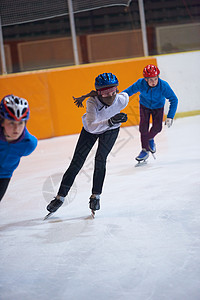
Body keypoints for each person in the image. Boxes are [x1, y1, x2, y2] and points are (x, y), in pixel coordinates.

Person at [46, 72, 129, 215]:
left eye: (113, 91)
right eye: (104, 93)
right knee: (77, 162)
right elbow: (91, 126)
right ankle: (60, 197)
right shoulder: (92, 102)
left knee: (100, 159)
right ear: (98, 93)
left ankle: (96, 196)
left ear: (117, 89)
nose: (109, 96)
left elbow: (136, 86)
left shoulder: (122, 99)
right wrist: (110, 121)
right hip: (92, 130)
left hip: (111, 130)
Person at [122, 64, 178, 162]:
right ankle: (144, 150)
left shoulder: (163, 86)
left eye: (155, 79)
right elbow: (128, 92)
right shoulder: (140, 83)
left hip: (158, 107)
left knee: (158, 128)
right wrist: (118, 99)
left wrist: (170, 116)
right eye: (151, 80)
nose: (153, 82)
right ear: (146, 79)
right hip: (145, 106)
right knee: (143, 127)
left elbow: (174, 99)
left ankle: (150, 138)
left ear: (158, 77)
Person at [0, 94, 38, 201]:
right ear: (2, 122)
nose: (16, 128)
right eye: (11, 123)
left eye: (20, 123)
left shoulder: (29, 143)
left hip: (4, 176)